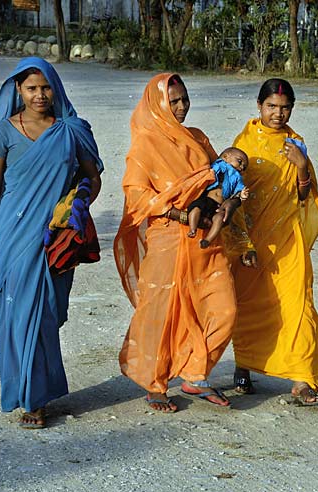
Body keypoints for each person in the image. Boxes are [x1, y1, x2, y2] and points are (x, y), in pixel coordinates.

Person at [0, 57, 103, 429]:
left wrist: (75, 207)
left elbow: (92, 179)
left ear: (55, 89)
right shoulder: (2, 133)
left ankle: (39, 389)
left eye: (46, 87)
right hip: (16, 237)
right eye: (31, 88)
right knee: (19, 313)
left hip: (56, 238)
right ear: (18, 90)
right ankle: (31, 399)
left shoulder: (72, 132)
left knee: (46, 312)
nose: (40, 95)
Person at [114, 73, 240, 411]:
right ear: (158, 104)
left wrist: (229, 203)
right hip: (168, 239)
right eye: (174, 101)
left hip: (207, 242)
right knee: (161, 315)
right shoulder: (145, 145)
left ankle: (195, 376)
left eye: (185, 99)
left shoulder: (197, 139)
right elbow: (137, 196)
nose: (182, 107)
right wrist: (180, 214)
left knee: (224, 309)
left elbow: (223, 179)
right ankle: (155, 384)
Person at [229, 78, 318, 405]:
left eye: (285, 107)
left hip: (287, 239)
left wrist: (302, 168)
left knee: (298, 305)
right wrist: (242, 242)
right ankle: (244, 365)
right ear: (259, 106)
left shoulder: (296, 144)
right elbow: (231, 193)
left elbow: (304, 196)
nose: (278, 113)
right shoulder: (244, 143)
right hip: (252, 241)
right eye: (271, 106)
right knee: (250, 305)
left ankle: (302, 379)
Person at [188, 147, 250, 248]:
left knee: (220, 218)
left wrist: (241, 195)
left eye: (244, 167)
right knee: (195, 208)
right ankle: (192, 229)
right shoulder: (218, 165)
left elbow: (238, 190)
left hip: (219, 205)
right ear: (225, 157)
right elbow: (207, 173)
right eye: (240, 161)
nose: (242, 167)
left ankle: (207, 240)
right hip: (207, 199)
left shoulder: (237, 177)